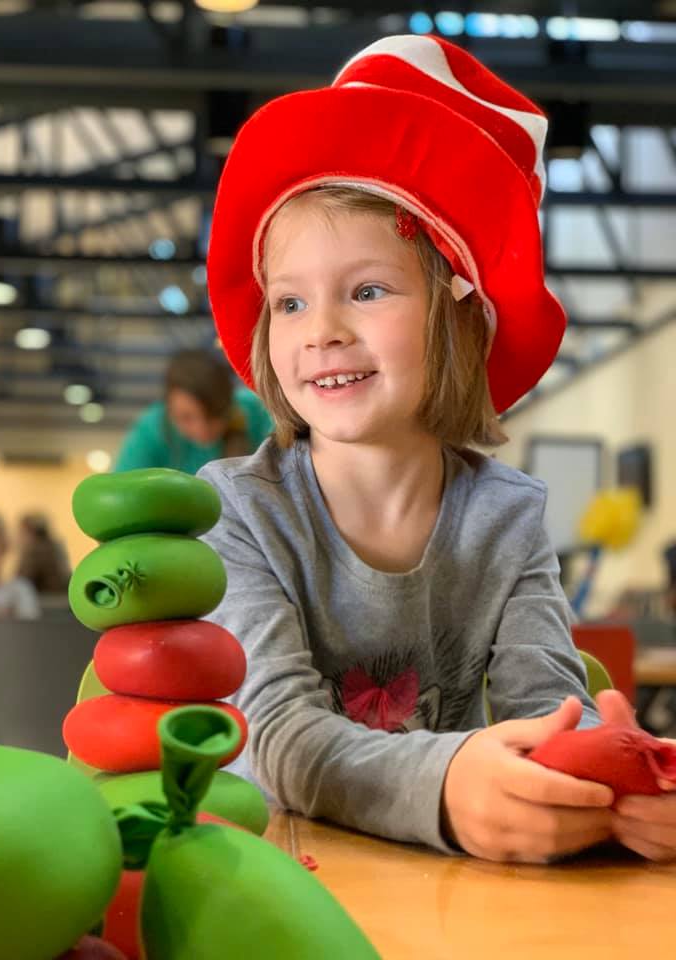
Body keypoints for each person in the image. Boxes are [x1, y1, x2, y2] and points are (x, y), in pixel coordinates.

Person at [198, 35, 676, 864]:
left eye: (368, 290)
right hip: (284, 876)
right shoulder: (240, 509)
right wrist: (451, 785)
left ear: (457, 316)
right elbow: (273, 734)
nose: (323, 332)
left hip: (446, 891)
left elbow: (547, 704)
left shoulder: (506, 515)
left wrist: (617, 776)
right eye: (290, 302)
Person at [114, 347, 273, 473]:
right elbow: (120, 491)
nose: (202, 429)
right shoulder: (152, 430)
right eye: (186, 418)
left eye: (213, 414)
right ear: (168, 407)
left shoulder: (259, 410)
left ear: (230, 403)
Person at [16, 512, 72, 596]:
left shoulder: (35, 551)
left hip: (48, 602)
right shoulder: (54, 546)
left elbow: (21, 582)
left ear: (30, 532)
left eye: (21, 533)